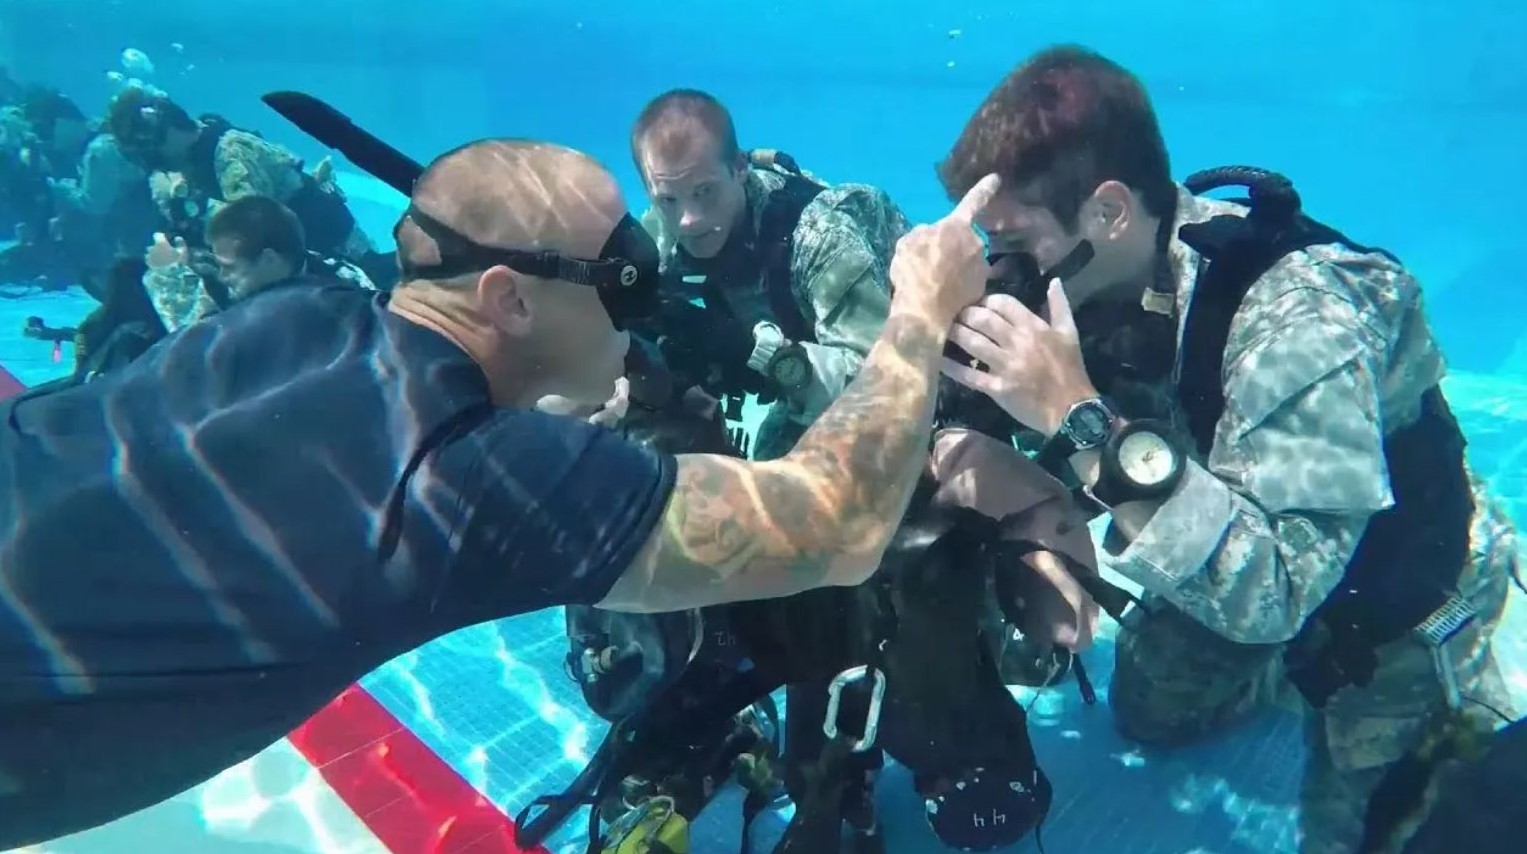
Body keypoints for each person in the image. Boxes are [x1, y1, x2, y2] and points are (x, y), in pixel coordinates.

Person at [0, 137, 999, 848]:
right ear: (509, 298)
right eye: (625, 272)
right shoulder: (473, 475)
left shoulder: (297, 313)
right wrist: (919, 308)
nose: (647, 297)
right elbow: (837, 521)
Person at [931, 44, 1519, 854]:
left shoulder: (1299, 323)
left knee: (1386, 833)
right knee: (1148, 708)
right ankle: (1279, 676)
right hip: (1240, 532)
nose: (1005, 269)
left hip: (1393, 597)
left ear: (1107, 212)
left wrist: (1077, 417)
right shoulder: (1096, 274)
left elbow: (1277, 591)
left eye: (1013, 241)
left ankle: (1445, 701)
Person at [630, 89, 903, 460]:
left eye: (705, 191)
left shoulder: (819, 237)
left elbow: (887, 384)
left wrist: (765, 356)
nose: (688, 220)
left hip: (924, 367)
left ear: (739, 168)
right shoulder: (659, 234)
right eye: (668, 200)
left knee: (785, 464)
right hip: (806, 365)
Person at [103, 87, 396, 289]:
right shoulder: (200, 152)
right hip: (304, 250)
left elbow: (251, 228)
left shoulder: (229, 153)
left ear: (168, 131)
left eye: (147, 149)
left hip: (331, 247)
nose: (151, 162)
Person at [141, 194, 376, 332]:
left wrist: (169, 275)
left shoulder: (325, 304)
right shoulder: (336, 272)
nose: (223, 276)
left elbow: (206, 355)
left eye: (230, 267)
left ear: (269, 259)